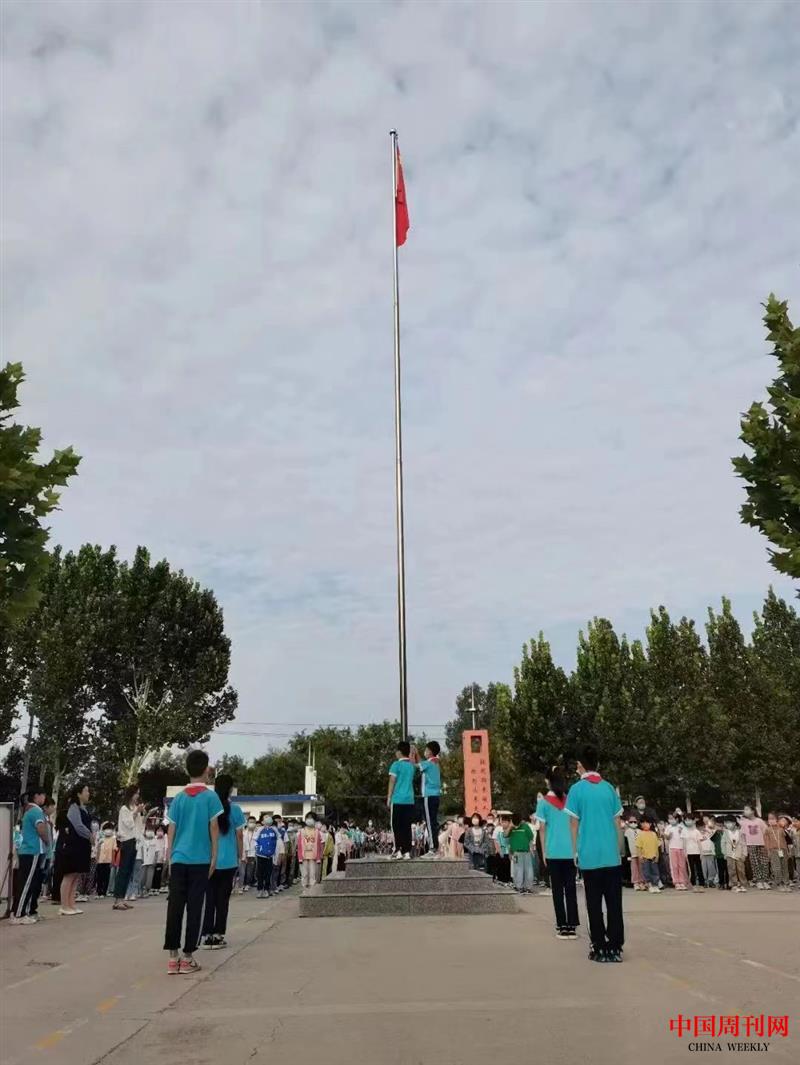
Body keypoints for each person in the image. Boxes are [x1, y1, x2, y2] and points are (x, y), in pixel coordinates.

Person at [164, 749, 223, 975]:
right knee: (195, 907)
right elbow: (213, 827)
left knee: (175, 907)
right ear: (206, 769)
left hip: (179, 858)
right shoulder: (210, 797)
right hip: (200, 860)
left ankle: (173, 957)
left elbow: (172, 829)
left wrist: (170, 856)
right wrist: (214, 856)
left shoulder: (179, 798)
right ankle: (188, 957)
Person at [565, 745, 624, 962]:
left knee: (594, 904)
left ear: (580, 765)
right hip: (611, 855)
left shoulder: (576, 790)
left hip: (589, 855)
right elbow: (617, 823)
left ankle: (599, 946)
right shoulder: (608, 789)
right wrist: (619, 849)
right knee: (614, 904)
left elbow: (573, 824)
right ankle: (615, 947)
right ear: (597, 764)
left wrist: (574, 851)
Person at [202, 774, 245, 948]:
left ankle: (207, 935)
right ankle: (218, 934)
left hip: (210, 860)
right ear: (230, 789)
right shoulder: (235, 810)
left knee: (209, 899)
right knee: (223, 900)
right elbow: (239, 835)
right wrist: (240, 855)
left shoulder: (209, 808)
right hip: (229, 861)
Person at [537, 767, 579, 937]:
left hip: (553, 851)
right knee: (570, 890)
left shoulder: (543, 802)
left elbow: (542, 829)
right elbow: (575, 825)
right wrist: (576, 850)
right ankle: (572, 925)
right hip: (570, 852)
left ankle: (562, 925)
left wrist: (544, 852)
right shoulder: (570, 801)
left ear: (549, 781)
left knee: (557, 891)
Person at [10, 789, 49, 924]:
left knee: (27, 883)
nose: (44, 798)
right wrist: (47, 841)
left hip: (27, 851)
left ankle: (23, 912)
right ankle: (18, 914)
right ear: (37, 796)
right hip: (32, 850)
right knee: (26, 883)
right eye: (43, 795)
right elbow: (41, 829)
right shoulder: (36, 811)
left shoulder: (28, 811)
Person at [60, 781, 93, 916]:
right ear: (79, 794)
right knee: (69, 875)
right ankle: (64, 905)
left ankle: (71, 904)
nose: (88, 793)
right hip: (74, 845)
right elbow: (78, 825)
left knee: (76, 875)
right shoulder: (73, 808)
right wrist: (89, 835)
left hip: (83, 845)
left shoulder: (84, 808)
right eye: (86, 791)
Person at [114, 785, 144, 911]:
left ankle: (122, 898)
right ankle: (118, 899)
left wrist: (140, 812)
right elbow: (128, 824)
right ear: (131, 794)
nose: (137, 796)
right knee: (123, 870)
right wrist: (136, 812)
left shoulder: (134, 808)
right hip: (127, 840)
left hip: (135, 841)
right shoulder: (124, 809)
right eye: (136, 793)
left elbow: (139, 825)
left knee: (129, 871)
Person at [387, 741, 415, 860]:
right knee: (406, 826)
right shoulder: (411, 766)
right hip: (409, 800)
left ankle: (397, 850)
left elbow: (392, 781)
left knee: (396, 826)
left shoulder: (396, 765)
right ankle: (407, 851)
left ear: (399, 752)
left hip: (398, 799)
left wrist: (389, 797)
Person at [417, 741, 442, 856]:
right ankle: (434, 847)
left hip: (428, 795)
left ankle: (432, 848)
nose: (425, 752)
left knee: (429, 822)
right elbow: (421, 763)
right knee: (433, 822)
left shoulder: (428, 763)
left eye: (426, 750)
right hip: (435, 796)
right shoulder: (435, 762)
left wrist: (414, 753)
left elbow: (417, 765)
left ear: (430, 752)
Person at [740, 805, 769, 888]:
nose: (745, 811)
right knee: (754, 863)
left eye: (747, 809)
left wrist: (767, 844)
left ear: (752, 811)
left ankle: (765, 880)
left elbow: (766, 832)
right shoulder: (744, 822)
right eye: (744, 810)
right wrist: (744, 847)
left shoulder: (759, 821)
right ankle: (758, 880)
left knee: (764, 862)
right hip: (750, 845)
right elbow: (742, 835)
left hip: (762, 844)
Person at [507, 814, 535, 892]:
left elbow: (531, 837)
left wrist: (532, 849)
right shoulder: (511, 828)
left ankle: (527, 887)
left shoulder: (525, 826)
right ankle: (519, 886)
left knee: (528, 870)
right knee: (518, 870)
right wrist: (510, 826)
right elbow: (506, 836)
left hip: (526, 852)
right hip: (516, 852)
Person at [764, 812, 790, 891]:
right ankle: (779, 883)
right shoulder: (767, 830)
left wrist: (787, 850)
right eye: (769, 819)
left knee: (784, 867)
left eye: (773, 819)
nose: (771, 820)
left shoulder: (781, 829)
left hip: (782, 850)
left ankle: (786, 883)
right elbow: (766, 841)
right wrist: (768, 851)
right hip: (773, 851)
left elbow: (784, 840)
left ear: (777, 820)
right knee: (776, 867)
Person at [255, 814, 278, 898]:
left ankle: (266, 889)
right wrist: (258, 849)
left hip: (270, 856)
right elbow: (255, 840)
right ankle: (260, 890)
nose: (268, 818)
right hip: (260, 855)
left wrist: (275, 853)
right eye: (266, 817)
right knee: (260, 873)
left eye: (269, 817)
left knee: (268, 873)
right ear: (262, 821)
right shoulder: (259, 829)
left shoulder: (274, 829)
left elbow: (277, 840)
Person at [722, 817, 748, 891]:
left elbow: (744, 844)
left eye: (729, 822)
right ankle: (734, 884)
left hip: (739, 853)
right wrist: (724, 853)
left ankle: (743, 884)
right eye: (726, 823)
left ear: (734, 823)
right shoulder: (725, 833)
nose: (728, 824)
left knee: (741, 869)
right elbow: (723, 843)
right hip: (730, 854)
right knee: (731, 870)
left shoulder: (740, 832)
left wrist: (744, 854)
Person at [636, 817, 662, 892]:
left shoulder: (653, 834)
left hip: (653, 856)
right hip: (645, 856)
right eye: (643, 823)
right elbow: (638, 846)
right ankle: (649, 885)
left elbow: (656, 846)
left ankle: (655, 885)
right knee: (646, 871)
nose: (645, 824)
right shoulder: (640, 834)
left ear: (650, 824)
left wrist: (657, 856)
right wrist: (640, 856)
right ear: (641, 824)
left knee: (655, 871)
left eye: (647, 823)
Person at [664, 813, 689, 890]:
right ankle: (676, 882)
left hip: (681, 848)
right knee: (674, 866)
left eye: (672, 818)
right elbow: (666, 837)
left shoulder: (681, 827)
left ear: (677, 819)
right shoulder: (668, 827)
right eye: (669, 819)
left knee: (681, 866)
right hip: (672, 848)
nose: (670, 820)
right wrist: (669, 836)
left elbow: (685, 837)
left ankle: (682, 882)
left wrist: (681, 832)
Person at [681, 816, 705, 892]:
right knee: (691, 869)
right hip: (689, 853)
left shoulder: (696, 831)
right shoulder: (684, 831)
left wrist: (701, 852)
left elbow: (699, 842)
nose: (688, 821)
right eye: (686, 820)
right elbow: (684, 843)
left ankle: (701, 884)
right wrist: (685, 852)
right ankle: (693, 884)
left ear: (693, 821)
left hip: (697, 852)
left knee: (699, 868)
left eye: (689, 820)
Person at [298, 815, 324, 887]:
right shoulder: (302, 831)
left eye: (311, 818)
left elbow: (319, 845)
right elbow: (299, 845)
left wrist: (319, 856)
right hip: (304, 856)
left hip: (313, 856)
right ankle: (304, 888)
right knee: (304, 874)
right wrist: (300, 857)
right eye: (308, 818)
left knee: (313, 874)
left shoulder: (317, 831)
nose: (310, 820)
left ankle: (312, 889)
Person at [96, 822, 116, 897]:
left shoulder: (113, 839)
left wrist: (112, 861)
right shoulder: (101, 839)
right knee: (99, 877)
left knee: (106, 877)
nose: (108, 830)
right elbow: (98, 849)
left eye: (109, 829)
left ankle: (104, 892)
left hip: (108, 861)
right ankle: (99, 891)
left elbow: (113, 850)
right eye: (106, 829)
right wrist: (97, 859)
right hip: (100, 861)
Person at [624, 817, 645, 891]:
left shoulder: (640, 831)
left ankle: (642, 882)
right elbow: (626, 844)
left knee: (641, 868)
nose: (633, 823)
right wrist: (628, 855)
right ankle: (636, 882)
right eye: (631, 822)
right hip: (632, 853)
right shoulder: (627, 832)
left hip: (640, 853)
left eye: (634, 822)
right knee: (634, 869)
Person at [240, 816, 258, 892]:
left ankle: (248, 884)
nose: (252, 824)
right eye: (250, 822)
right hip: (244, 855)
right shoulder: (243, 832)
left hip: (252, 854)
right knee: (242, 871)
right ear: (247, 823)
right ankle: (242, 884)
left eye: (253, 822)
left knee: (250, 871)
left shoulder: (257, 833)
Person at [700, 822, 717, 887]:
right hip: (702, 853)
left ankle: (711, 880)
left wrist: (707, 829)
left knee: (711, 867)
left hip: (710, 853)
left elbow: (713, 832)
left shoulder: (710, 832)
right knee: (703, 868)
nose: (703, 828)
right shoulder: (698, 833)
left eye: (703, 826)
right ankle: (704, 881)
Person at [152, 826, 167, 893]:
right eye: (158, 830)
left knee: (159, 874)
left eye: (161, 830)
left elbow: (166, 847)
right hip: (154, 858)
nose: (159, 832)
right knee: (154, 874)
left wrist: (164, 858)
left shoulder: (165, 838)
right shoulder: (154, 838)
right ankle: (153, 887)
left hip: (161, 859)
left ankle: (157, 887)